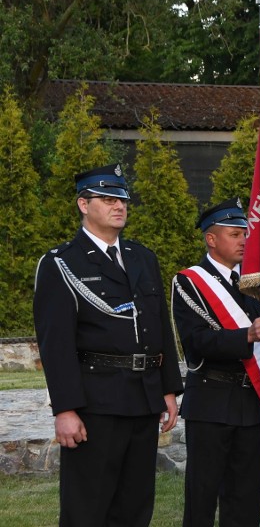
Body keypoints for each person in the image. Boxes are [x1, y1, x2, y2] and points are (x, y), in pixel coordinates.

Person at [33, 163, 184, 527]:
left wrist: (168, 388)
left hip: (143, 397)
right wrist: (65, 410)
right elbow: (56, 344)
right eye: (107, 198)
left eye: (123, 199)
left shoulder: (141, 257)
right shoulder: (61, 263)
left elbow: (159, 324)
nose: (119, 205)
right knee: (88, 505)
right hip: (95, 402)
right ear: (83, 205)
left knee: (135, 505)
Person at [171, 198, 260, 527]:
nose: (244, 241)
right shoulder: (189, 282)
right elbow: (196, 341)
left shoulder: (258, 284)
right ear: (211, 238)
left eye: (245, 234)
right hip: (211, 400)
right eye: (235, 234)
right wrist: (245, 336)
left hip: (253, 403)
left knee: (246, 496)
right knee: (202, 495)